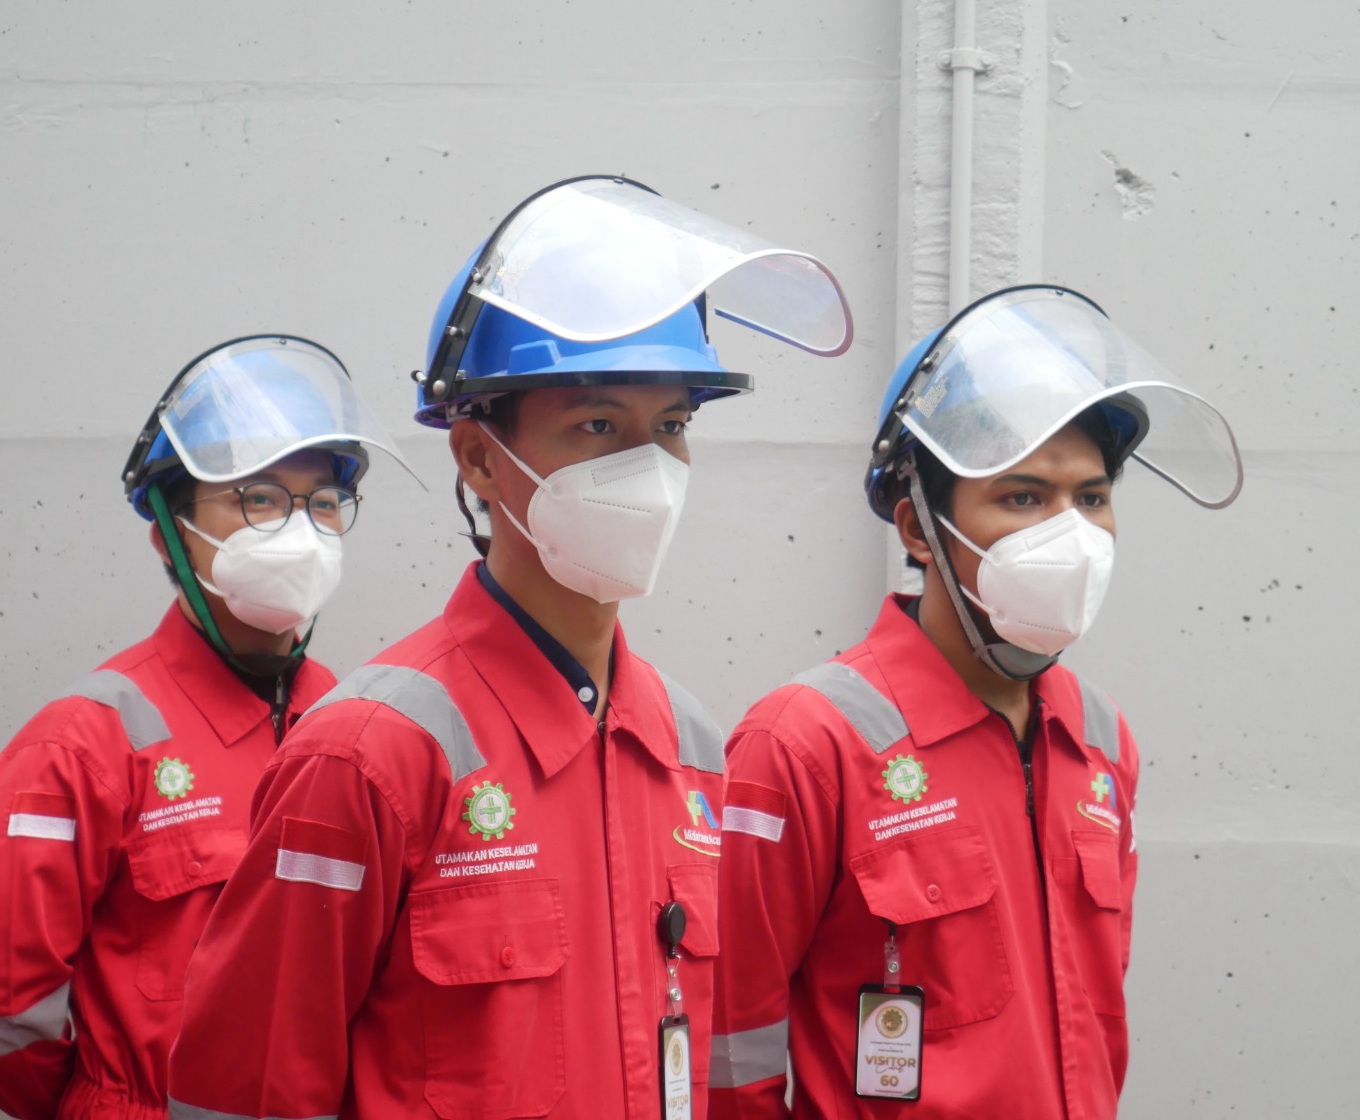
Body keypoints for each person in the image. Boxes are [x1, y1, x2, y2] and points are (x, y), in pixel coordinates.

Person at [166, 176, 853, 1120]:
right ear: (480, 457)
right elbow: (246, 1092)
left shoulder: (689, 743)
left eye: (672, 426)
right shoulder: (367, 754)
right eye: (598, 425)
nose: (648, 468)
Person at [709, 284, 1244, 1119]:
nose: (1069, 533)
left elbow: (1093, 1023)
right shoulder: (807, 743)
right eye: (1023, 497)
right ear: (917, 529)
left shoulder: (1100, 740)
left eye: (1091, 497)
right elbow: (728, 1050)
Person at [0, 335, 409, 1120]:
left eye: (322, 502)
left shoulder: (360, 730)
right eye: (258, 498)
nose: (299, 529)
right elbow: (3, 1005)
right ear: (170, 532)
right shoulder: (83, 743)